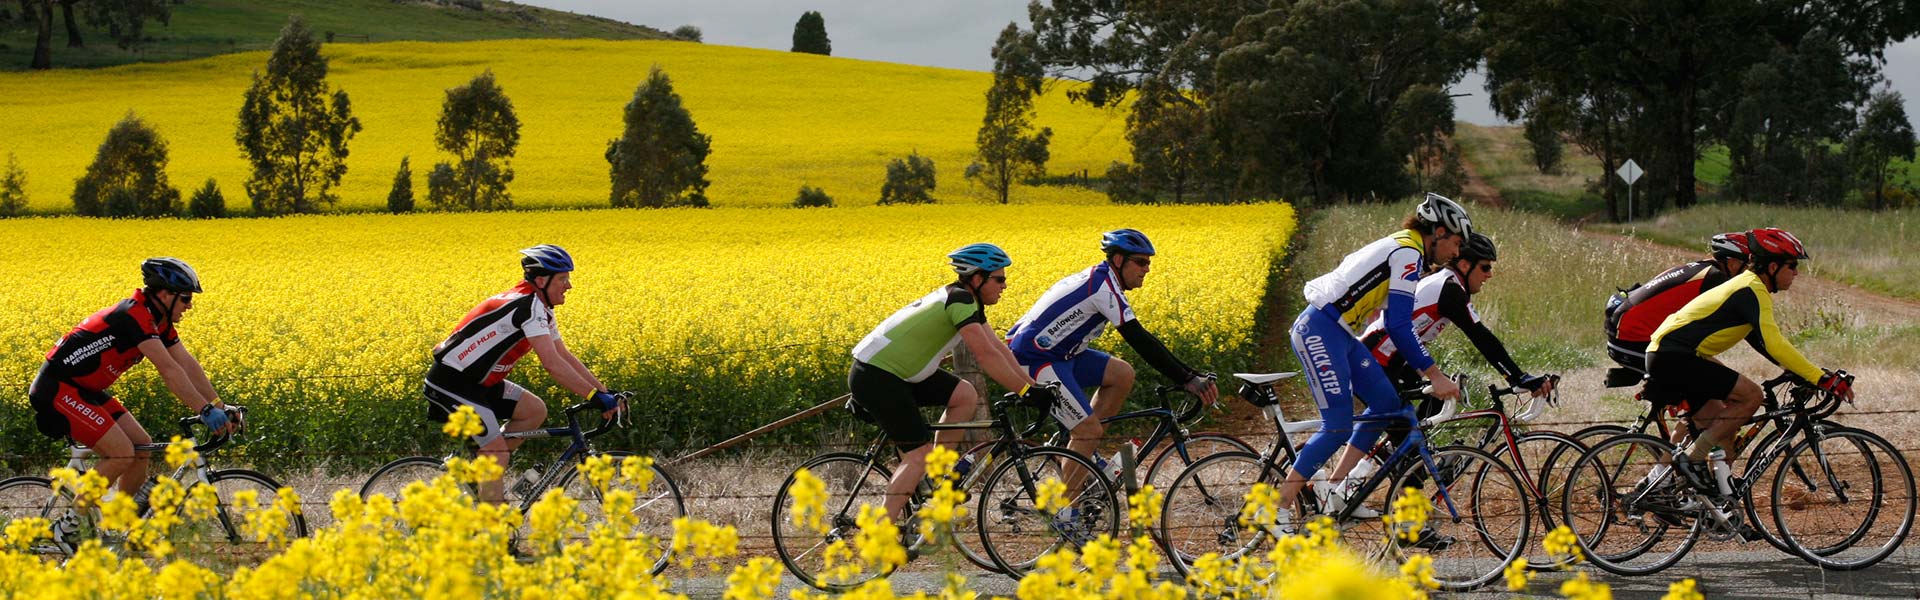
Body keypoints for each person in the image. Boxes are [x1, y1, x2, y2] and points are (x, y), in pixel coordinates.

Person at [1272, 193, 1472, 529]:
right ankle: (1276, 509)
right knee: (1336, 426)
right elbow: (1398, 324)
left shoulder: (1405, 248)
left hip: (1339, 333)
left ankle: (1336, 491)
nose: (1455, 253)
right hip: (1320, 329)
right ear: (1437, 232)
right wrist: (1434, 374)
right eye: (1454, 242)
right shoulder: (1408, 253)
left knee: (1385, 403)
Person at [848, 243, 1056, 523]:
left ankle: (936, 480)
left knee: (964, 395)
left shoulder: (967, 301)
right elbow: (983, 356)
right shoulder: (959, 300)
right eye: (999, 278)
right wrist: (1025, 391)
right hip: (877, 375)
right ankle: (882, 529)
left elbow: (998, 350)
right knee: (918, 455)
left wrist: (1033, 387)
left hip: (899, 373)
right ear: (977, 278)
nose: (1005, 285)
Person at [1004, 228, 1218, 486]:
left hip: (1062, 355)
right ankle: (1067, 514)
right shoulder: (1102, 288)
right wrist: (1187, 378)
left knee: (1122, 374)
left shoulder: (1104, 279)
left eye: (1149, 262)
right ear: (1118, 260)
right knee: (1088, 431)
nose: (1146, 269)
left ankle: (1084, 455)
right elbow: (1138, 338)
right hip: (1035, 359)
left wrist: (1190, 374)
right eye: (1140, 262)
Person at [1647, 228, 1852, 495]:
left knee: (1724, 425)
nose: (1797, 273)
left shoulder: (1748, 287)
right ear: (1773, 266)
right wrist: (1822, 379)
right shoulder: (1750, 290)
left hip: (1671, 354)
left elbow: (1766, 344)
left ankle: (1711, 501)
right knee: (1751, 396)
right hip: (1675, 356)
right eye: (1792, 266)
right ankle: (1694, 459)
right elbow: (1774, 342)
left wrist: (1800, 371)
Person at [424, 244, 627, 504]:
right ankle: (494, 534)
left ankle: (478, 475)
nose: (569, 286)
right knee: (496, 453)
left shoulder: (540, 308)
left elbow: (564, 355)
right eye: (563, 279)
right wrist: (592, 395)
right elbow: (552, 364)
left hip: (481, 382)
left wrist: (602, 392)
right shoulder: (528, 307)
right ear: (541, 280)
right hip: (453, 383)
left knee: (534, 411)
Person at [30, 258, 235, 506]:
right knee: (121, 453)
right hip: (58, 389)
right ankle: (71, 526)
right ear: (165, 294)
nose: (190, 305)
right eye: (186, 298)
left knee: (141, 446)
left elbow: (187, 364)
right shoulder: (134, 315)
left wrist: (219, 405)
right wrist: (203, 410)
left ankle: (119, 526)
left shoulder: (159, 321)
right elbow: (169, 369)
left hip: (85, 389)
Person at [1359, 232, 1554, 475]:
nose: (1489, 275)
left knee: (1433, 404)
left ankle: (1392, 460)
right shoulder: (1449, 289)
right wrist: (1518, 377)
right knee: (1413, 460)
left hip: (1393, 361)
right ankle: (1392, 484)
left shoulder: (1448, 283)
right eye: (1484, 267)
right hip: (1376, 360)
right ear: (1464, 265)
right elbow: (1482, 338)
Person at [1604, 232, 1750, 376]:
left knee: (1718, 379)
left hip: (1623, 332)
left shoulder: (1699, 269)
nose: (1749, 270)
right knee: (1718, 384)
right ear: (1732, 263)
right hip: (1634, 338)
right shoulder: (1716, 279)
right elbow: (1748, 322)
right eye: (1747, 264)